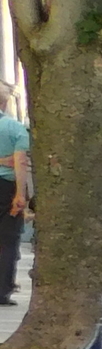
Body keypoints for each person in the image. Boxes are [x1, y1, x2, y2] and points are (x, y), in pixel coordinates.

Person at [0, 105, 29, 306]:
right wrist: (20, 193)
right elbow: (20, 161)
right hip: (7, 187)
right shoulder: (15, 128)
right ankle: (3, 289)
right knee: (8, 241)